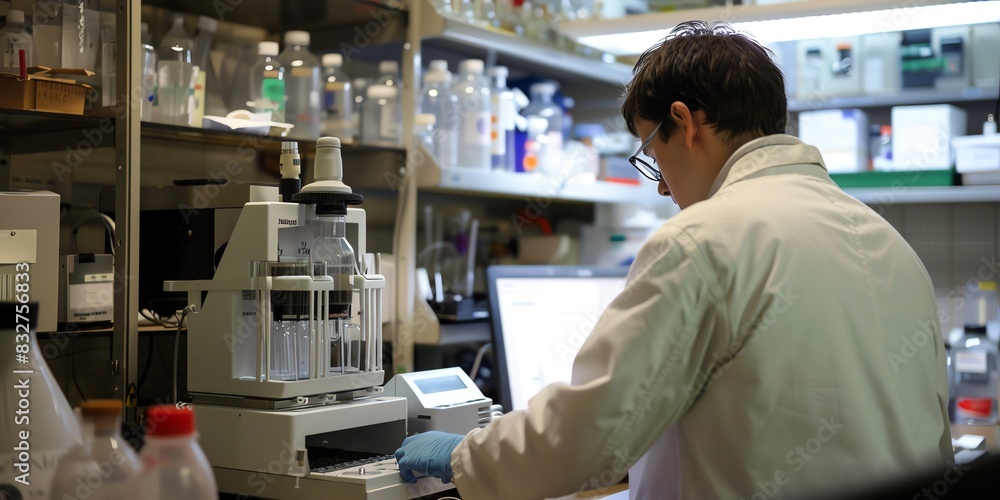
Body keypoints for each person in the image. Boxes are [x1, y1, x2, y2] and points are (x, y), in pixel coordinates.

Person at [395, 21, 952, 499]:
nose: (661, 187)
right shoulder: (887, 241)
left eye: (650, 152)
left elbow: (593, 432)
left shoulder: (702, 238)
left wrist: (467, 456)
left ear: (684, 122)